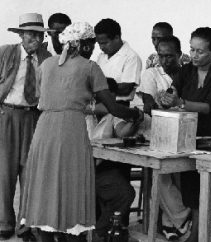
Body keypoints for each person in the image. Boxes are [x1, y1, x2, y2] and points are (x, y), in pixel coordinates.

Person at [20, 22, 144, 242]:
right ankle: (73, 233)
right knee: (73, 185)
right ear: (85, 45)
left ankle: (46, 233)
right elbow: (113, 107)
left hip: (44, 128)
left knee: (47, 184)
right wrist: (135, 114)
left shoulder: (47, 64)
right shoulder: (89, 67)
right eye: (92, 44)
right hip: (71, 129)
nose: (94, 48)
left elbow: (39, 96)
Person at [160, 27, 211, 242]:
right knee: (192, 184)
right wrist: (166, 99)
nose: (193, 55)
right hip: (190, 134)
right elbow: (173, 91)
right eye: (191, 49)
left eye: (200, 51)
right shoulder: (186, 71)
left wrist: (181, 102)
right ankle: (196, 233)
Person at [0, 13, 52, 242]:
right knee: (4, 173)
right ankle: (4, 223)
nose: (36, 39)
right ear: (20, 34)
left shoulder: (47, 58)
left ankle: (26, 225)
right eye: (31, 33)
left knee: (31, 173)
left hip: (34, 118)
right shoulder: (5, 52)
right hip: (7, 115)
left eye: (39, 34)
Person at [136, 35, 191, 240]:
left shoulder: (188, 74)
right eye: (161, 56)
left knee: (180, 178)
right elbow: (149, 105)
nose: (165, 60)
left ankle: (173, 224)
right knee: (162, 176)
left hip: (184, 134)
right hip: (157, 133)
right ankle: (181, 218)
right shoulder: (152, 74)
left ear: (179, 55)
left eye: (170, 56)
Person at [86, 78, 138, 241]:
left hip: (97, 171)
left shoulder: (113, 114)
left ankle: (99, 232)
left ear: (113, 96)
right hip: (75, 169)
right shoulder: (81, 108)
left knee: (124, 193)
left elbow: (122, 131)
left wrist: (134, 120)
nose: (99, 97)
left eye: (105, 95)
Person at [95, 18, 142, 107]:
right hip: (98, 105)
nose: (101, 47)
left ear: (117, 38)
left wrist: (98, 86)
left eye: (104, 43)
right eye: (99, 44)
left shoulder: (131, 57)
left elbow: (126, 88)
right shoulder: (101, 56)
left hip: (119, 107)